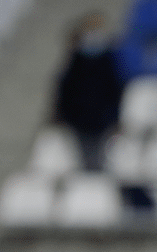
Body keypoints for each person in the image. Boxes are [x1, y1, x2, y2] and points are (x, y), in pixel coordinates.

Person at [51, 11, 123, 171]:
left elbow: (114, 91)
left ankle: (95, 183)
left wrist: (113, 116)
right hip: (79, 120)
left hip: (102, 120)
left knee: (99, 159)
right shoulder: (76, 61)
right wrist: (62, 114)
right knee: (83, 160)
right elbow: (66, 90)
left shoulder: (109, 59)